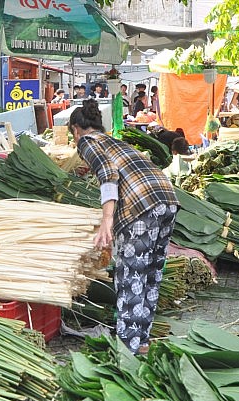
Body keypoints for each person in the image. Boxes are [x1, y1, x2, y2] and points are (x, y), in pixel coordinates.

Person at [68, 99, 178, 354]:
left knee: (131, 276)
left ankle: (127, 348)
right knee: (150, 274)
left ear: (76, 129)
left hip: (141, 206)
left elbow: (108, 173)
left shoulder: (87, 142)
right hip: (167, 200)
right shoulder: (114, 141)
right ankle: (142, 342)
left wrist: (107, 218)